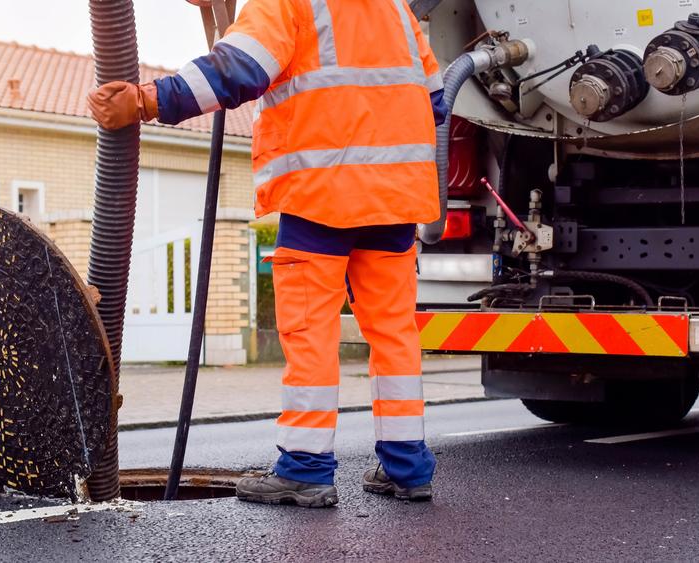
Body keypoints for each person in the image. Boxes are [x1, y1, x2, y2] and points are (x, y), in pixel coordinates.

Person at [87, 0, 447, 508]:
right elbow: (434, 100)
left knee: (310, 334)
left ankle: (306, 468)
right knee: (394, 335)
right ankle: (408, 468)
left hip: (320, 196)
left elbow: (239, 69)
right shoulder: (395, 11)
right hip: (396, 201)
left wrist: (147, 101)